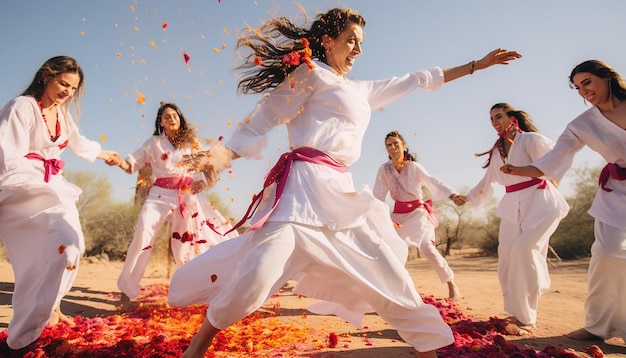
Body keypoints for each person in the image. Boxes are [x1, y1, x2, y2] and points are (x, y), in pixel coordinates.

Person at [166, 8, 521, 358]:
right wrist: (219, 159)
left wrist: (477, 64)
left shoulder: (361, 90)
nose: (358, 50)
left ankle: (427, 350)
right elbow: (262, 120)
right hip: (299, 195)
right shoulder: (310, 74)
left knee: (389, 277)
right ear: (327, 40)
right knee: (255, 279)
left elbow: (418, 79)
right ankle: (197, 347)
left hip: (342, 198)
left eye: (361, 43)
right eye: (351, 40)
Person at [501, 60, 626, 342]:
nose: (584, 91)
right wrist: (518, 170)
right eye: (578, 87)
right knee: (606, 254)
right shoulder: (582, 125)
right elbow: (552, 161)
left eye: (588, 82)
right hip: (617, 193)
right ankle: (598, 326)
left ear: (606, 77)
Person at [0, 56, 119, 351]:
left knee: (73, 247)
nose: (67, 91)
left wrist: (108, 156)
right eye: (63, 83)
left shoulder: (63, 115)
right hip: (26, 189)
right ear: (46, 76)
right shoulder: (21, 107)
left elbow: (78, 143)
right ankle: (23, 337)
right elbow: (6, 154)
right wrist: (36, 183)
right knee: (56, 250)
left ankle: (51, 309)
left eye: (73, 87)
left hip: (57, 187)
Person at [107, 102, 238, 303]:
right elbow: (130, 165)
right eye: (167, 116)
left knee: (184, 244)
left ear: (180, 118)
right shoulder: (153, 143)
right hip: (159, 195)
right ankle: (127, 289)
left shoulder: (191, 143)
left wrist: (203, 183)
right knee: (143, 230)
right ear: (161, 122)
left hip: (186, 196)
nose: (172, 119)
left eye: (175, 115)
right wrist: (117, 161)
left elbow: (210, 165)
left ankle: (193, 291)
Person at [458, 103, 569, 331]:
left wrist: (524, 171)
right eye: (491, 119)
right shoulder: (497, 149)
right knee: (507, 255)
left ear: (512, 117)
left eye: (498, 116)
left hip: (540, 202)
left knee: (524, 251)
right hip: (511, 206)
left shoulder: (530, 140)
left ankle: (527, 317)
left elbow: (554, 164)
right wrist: (468, 198)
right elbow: (487, 181)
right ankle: (517, 312)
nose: (494, 122)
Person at [373, 130, 465, 301]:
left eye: (396, 144)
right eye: (389, 145)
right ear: (386, 149)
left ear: (404, 146)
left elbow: (432, 181)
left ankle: (451, 283)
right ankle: (393, 292)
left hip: (418, 215)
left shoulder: (413, 167)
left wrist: (452, 194)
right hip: (398, 218)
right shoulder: (384, 170)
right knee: (389, 250)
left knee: (426, 247)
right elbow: (377, 196)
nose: (393, 147)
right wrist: (372, 213)